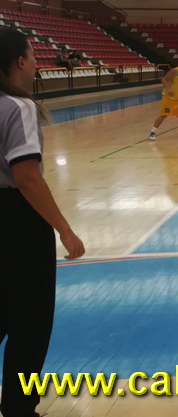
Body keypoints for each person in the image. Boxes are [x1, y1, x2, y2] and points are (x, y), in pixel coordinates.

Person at [0, 27, 85, 417]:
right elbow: (27, 177)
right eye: (33, 55)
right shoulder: (19, 107)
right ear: (19, 61)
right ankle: (19, 409)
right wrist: (64, 229)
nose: (37, 62)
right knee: (30, 321)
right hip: (15, 220)